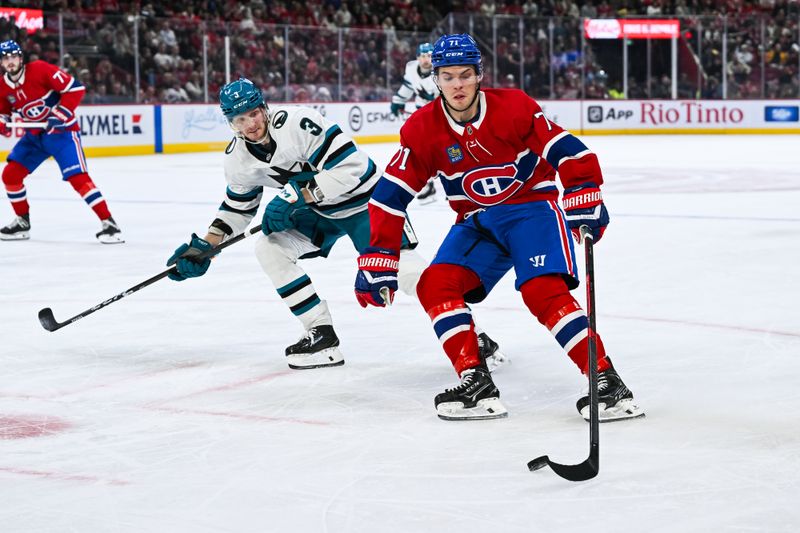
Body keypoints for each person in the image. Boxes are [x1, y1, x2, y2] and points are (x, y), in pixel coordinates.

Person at [355, 34, 644, 422]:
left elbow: (565, 148)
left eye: (465, 75)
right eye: (448, 76)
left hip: (530, 210)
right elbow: (390, 196)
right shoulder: (423, 129)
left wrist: (583, 187)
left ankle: (606, 381)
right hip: (477, 221)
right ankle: (475, 380)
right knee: (434, 284)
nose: (457, 85)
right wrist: (380, 253)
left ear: (479, 75)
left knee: (542, 291)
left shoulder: (513, 108)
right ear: (435, 80)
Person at [166, 78, 504, 370]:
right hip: (320, 213)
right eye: (240, 119)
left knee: (406, 274)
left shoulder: (299, 124)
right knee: (268, 248)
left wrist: (299, 195)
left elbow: (353, 167)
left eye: (254, 114)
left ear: (264, 108)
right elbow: (238, 209)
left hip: (367, 202)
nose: (251, 124)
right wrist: (207, 245)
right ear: (230, 123)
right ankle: (320, 333)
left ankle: (471, 338)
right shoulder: (237, 159)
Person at [0, 40, 123, 243]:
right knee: (11, 175)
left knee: (78, 178)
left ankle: (109, 224)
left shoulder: (40, 69)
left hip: (62, 133)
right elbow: (4, 111)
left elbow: (75, 89)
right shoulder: (3, 85)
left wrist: (59, 114)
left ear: (20, 58)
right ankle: (22, 222)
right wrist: (2, 122)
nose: (10, 61)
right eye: (5, 58)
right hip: (34, 136)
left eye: (13, 56)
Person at [390, 42, 438, 204]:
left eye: (430, 55)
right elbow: (408, 86)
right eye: (423, 56)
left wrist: (437, 99)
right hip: (421, 113)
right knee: (419, 148)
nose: (426, 59)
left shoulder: (441, 70)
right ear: (417, 57)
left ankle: (452, 183)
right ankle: (429, 185)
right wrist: (398, 100)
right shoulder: (411, 69)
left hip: (441, 114)